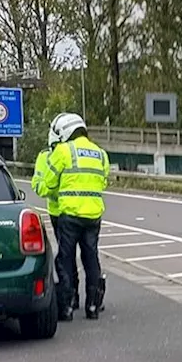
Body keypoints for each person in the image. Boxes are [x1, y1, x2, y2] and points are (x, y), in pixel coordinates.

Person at [40, 112, 108, 321]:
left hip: (69, 215)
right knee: (91, 258)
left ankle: (67, 306)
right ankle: (93, 306)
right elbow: (103, 182)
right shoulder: (100, 153)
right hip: (93, 216)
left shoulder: (63, 151)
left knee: (66, 259)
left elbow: (49, 183)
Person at [31, 140, 78, 310]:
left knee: (68, 255)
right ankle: (71, 296)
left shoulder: (68, 153)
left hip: (70, 211)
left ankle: (71, 297)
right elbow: (39, 183)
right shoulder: (45, 156)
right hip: (58, 212)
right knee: (68, 255)